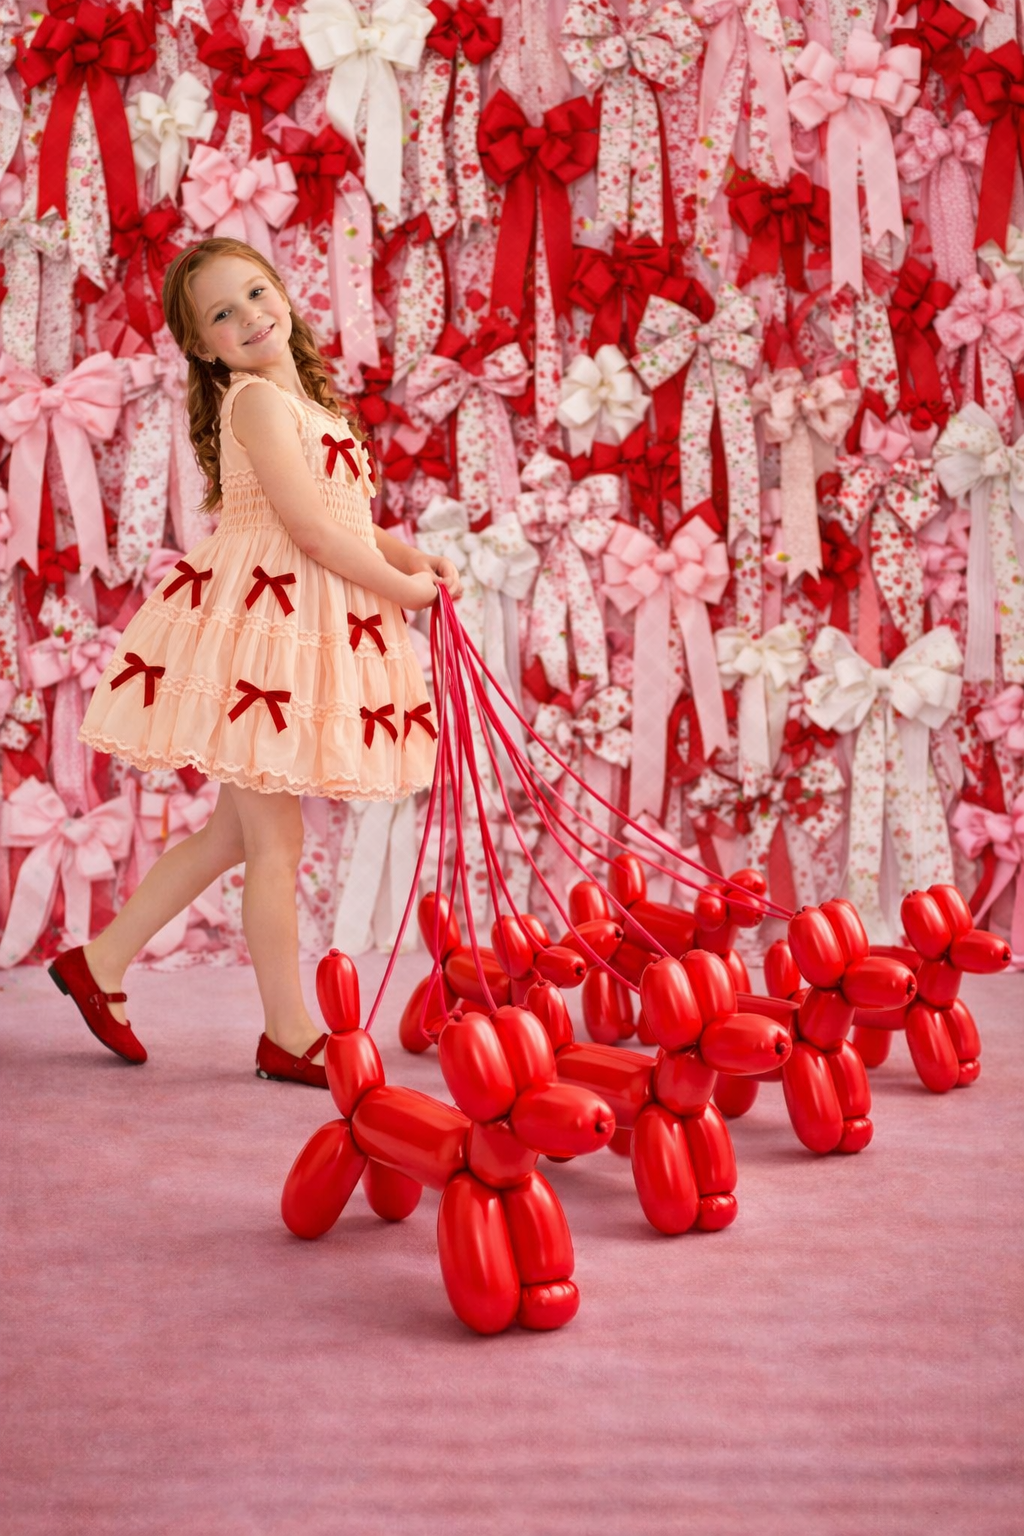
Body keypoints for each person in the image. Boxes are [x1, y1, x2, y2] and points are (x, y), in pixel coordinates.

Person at [49, 237, 461, 1088]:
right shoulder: (258, 406)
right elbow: (307, 535)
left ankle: (101, 962)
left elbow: (336, 517)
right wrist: (403, 592)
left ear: (284, 293)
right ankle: (287, 1031)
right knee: (275, 840)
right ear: (202, 346)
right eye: (223, 314)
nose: (249, 317)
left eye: (257, 293)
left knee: (235, 835)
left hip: (292, 618)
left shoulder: (302, 401)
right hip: (263, 633)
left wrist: (407, 557)